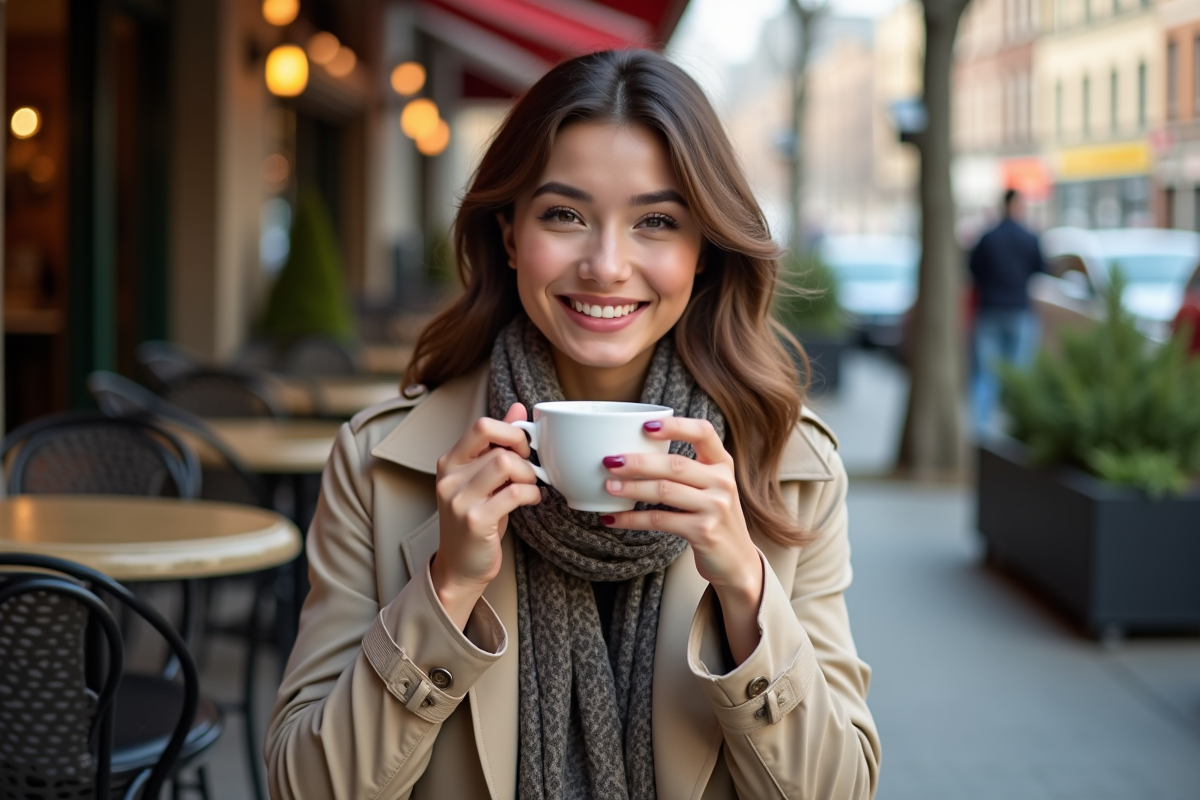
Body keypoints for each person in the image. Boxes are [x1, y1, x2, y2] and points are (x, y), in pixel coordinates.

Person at [265, 49, 880, 800]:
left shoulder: (790, 469)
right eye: (565, 215)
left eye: (656, 221)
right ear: (509, 235)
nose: (607, 265)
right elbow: (305, 787)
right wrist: (445, 590)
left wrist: (747, 590)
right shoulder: (380, 464)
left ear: (704, 254)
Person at [968, 189, 1046, 436]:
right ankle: (1015, 427)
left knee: (985, 373)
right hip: (1018, 310)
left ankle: (982, 429)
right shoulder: (1029, 238)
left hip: (989, 310)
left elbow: (973, 270)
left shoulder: (988, 238)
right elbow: (1040, 269)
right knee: (1019, 374)